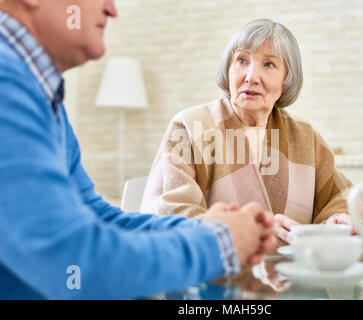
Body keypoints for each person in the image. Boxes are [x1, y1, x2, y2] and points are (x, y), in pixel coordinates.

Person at [0, 0, 275, 300]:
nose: (112, 9)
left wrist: (206, 228)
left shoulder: (37, 93)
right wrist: (218, 243)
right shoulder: (7, 84)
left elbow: (97, 216)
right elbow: (76, 260)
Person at [140, 18, 361, 246]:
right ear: (228, 69)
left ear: (287, 78)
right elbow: (173, 214)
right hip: (217, 274)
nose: (251, 76)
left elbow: (344, 196)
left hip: (292, 275)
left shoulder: (305, 137)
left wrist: (336, 218)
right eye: (242, 60)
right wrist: (252, 231)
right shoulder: (189, 127)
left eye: (269, 64)